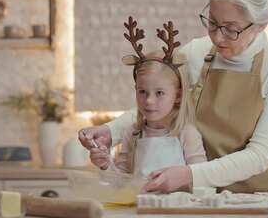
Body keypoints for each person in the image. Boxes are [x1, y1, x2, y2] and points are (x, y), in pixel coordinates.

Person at [79, 0, 268, 194]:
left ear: (260, 25)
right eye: (212, 23)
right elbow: (157, 99)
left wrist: (189, 175)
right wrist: (111, 131)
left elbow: (259, 156)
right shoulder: (198, 52)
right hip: (209, 195)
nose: (217, 37)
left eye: (231, 29)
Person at [81, 17, 207, 179]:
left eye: (159, 93)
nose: (149, 101)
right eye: (142, 92)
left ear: (178, 95)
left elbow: (200, 179)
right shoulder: (132, 134)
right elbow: (120, 185)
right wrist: (106, 164)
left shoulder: (186, 134)